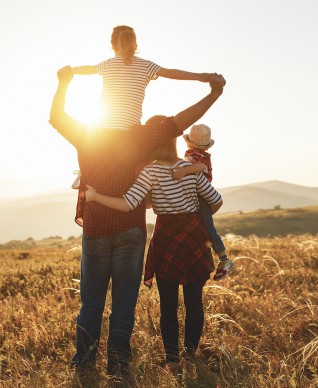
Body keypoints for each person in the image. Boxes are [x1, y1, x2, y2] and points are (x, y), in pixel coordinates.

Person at [48, 65, 225, 376]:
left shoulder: (86, 133)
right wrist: (213, 93)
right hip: (131, 230)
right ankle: (118, 363)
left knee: (91, 302)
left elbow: (57, 118)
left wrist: (64, 83)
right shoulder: (143, 136)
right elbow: (180, 122)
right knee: (124, 304)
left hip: (96, 229)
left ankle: (85, 362)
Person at [84, 132, 222, 371]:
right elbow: (216, 200)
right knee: (194, 302)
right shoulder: (190, 168)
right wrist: (196, 217)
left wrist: (95, 196)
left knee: (168, 304)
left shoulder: (150, 171)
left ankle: (172, 360)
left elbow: (128, 204)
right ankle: (189, 355)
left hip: (167, 237)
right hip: (194, 237)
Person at [72, 25, 213, 131]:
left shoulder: (107, 64)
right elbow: (171, 73)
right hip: (129, 130)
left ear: (113, 45)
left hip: (102, 129)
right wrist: (200, 77)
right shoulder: (146, 65)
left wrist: (71, 70)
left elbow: (87, 69)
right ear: (135, 44)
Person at [172, 124, 234, 280]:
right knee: (202, 227)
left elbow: (199, 167)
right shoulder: (197, 154)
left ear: (188, 142)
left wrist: (184, 171)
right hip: (198, 195)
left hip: (201, 195)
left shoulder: (197, 157)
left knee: (208, 228)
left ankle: (224, 259)